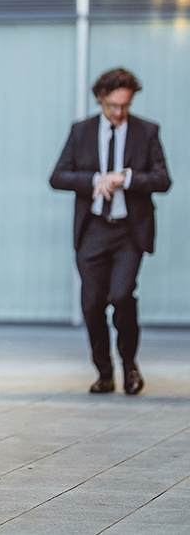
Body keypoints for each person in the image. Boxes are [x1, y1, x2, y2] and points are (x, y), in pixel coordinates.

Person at [49, 68, 171, 396]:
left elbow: (163, 179)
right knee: (92, 304)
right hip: (92, 231)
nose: (119, 113)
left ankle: (129, 366)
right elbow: (58, 176)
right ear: (100, 99)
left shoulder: (146, 132)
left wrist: (125, 178)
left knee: (121, 295)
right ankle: (104, 372)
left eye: (125, 107)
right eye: (113, 106)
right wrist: (94, 180)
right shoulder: (81, 132)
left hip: (129, 232)